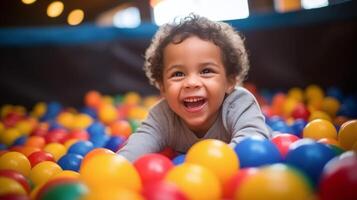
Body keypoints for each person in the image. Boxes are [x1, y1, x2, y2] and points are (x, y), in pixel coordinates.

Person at [118, 14, 270, 162]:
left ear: (230, 81)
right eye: (178, 74)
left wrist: (208, 162)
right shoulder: (163, 116)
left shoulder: (239, 103)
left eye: (206, 71)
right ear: (162, 86)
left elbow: (251, 145)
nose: (191, 83)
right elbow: (135, 149)